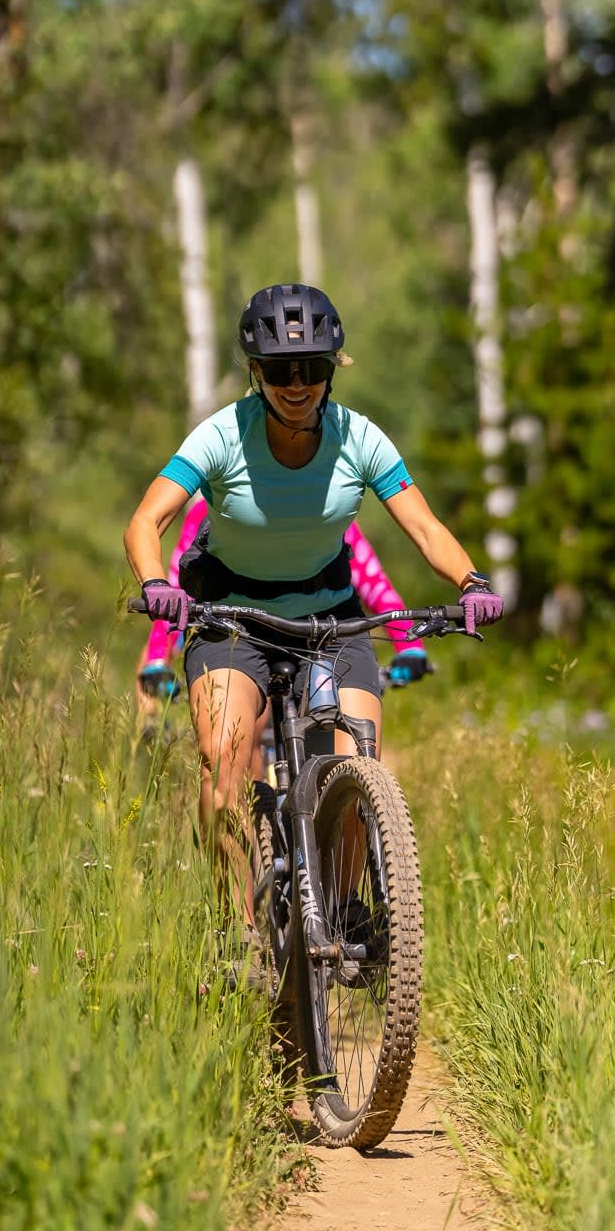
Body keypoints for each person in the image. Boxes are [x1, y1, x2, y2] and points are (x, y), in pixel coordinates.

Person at [122, 282, 503, 946]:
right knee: (222, 759)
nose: (296, 385)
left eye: (312, 369)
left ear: (332, 370)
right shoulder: (222, 435)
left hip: (330, 620)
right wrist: (156, 581)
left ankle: (347, 902)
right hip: (232, 621)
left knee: (362, 757)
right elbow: (145, 520)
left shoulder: (359, 439)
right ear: (255, 372)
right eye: (279, 370)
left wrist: (471, 580)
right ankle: (235, 931)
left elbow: (425, 527)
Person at [135, 497, 431, 701]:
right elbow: (178, 591)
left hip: (316, 637)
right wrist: (158, 657)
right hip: (240, 638)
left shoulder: (327, 510)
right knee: (245, 731)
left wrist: (410, 646)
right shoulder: (206, 511)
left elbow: (373, 583)